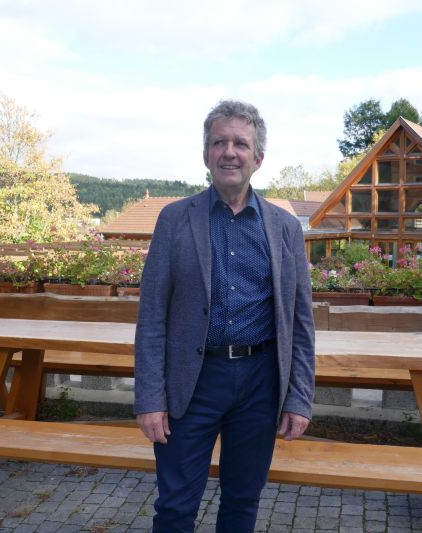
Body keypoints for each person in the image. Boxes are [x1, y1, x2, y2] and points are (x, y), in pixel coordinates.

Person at [134, 99, 315, 533]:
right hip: (192, 383)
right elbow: (152, 315)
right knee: (175, 507)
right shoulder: (175, 220)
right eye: (219, 143)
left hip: (260, 383)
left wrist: (299, 396)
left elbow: (300, 321)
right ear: (205, 154)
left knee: (242, 503)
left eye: (240, 143)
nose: (229, 152)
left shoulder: (285, 227)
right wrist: (150, 399)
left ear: (258, 158)